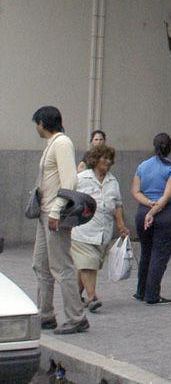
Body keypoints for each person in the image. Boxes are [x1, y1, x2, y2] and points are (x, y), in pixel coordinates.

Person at [30, 106, 89, 334]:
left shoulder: (62, 143)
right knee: (41, 265)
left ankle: (76, 317)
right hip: (45, 213)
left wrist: (56, 211)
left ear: (42, 123)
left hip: (54, 214)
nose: (36, 128)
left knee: (62, 266)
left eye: (36, 123)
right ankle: (45, 315)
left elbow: (70, 181)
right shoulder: (52, 144)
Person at [71, 145, 128, 312]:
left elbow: (117, 204)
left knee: (88, 265)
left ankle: (75, 297)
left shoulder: (113, 181)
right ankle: (92, 297)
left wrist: (121, 224)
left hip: (103, 232)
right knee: (88, 264)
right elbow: (68, 197)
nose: (108, 162)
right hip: (83, 230)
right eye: (104, 158)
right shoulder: (81, 178)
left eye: (110, 159)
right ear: (95, 159)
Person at [131, 133, 171, 305]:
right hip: (166, 214)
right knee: (159, 254)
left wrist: (148, 205)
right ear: (170, 148)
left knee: (146, 252)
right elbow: (167, 196)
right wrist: (153, 211)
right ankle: (152, 294)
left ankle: (141, 291)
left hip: (143, 211)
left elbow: (136, 191)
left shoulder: (143, 166)